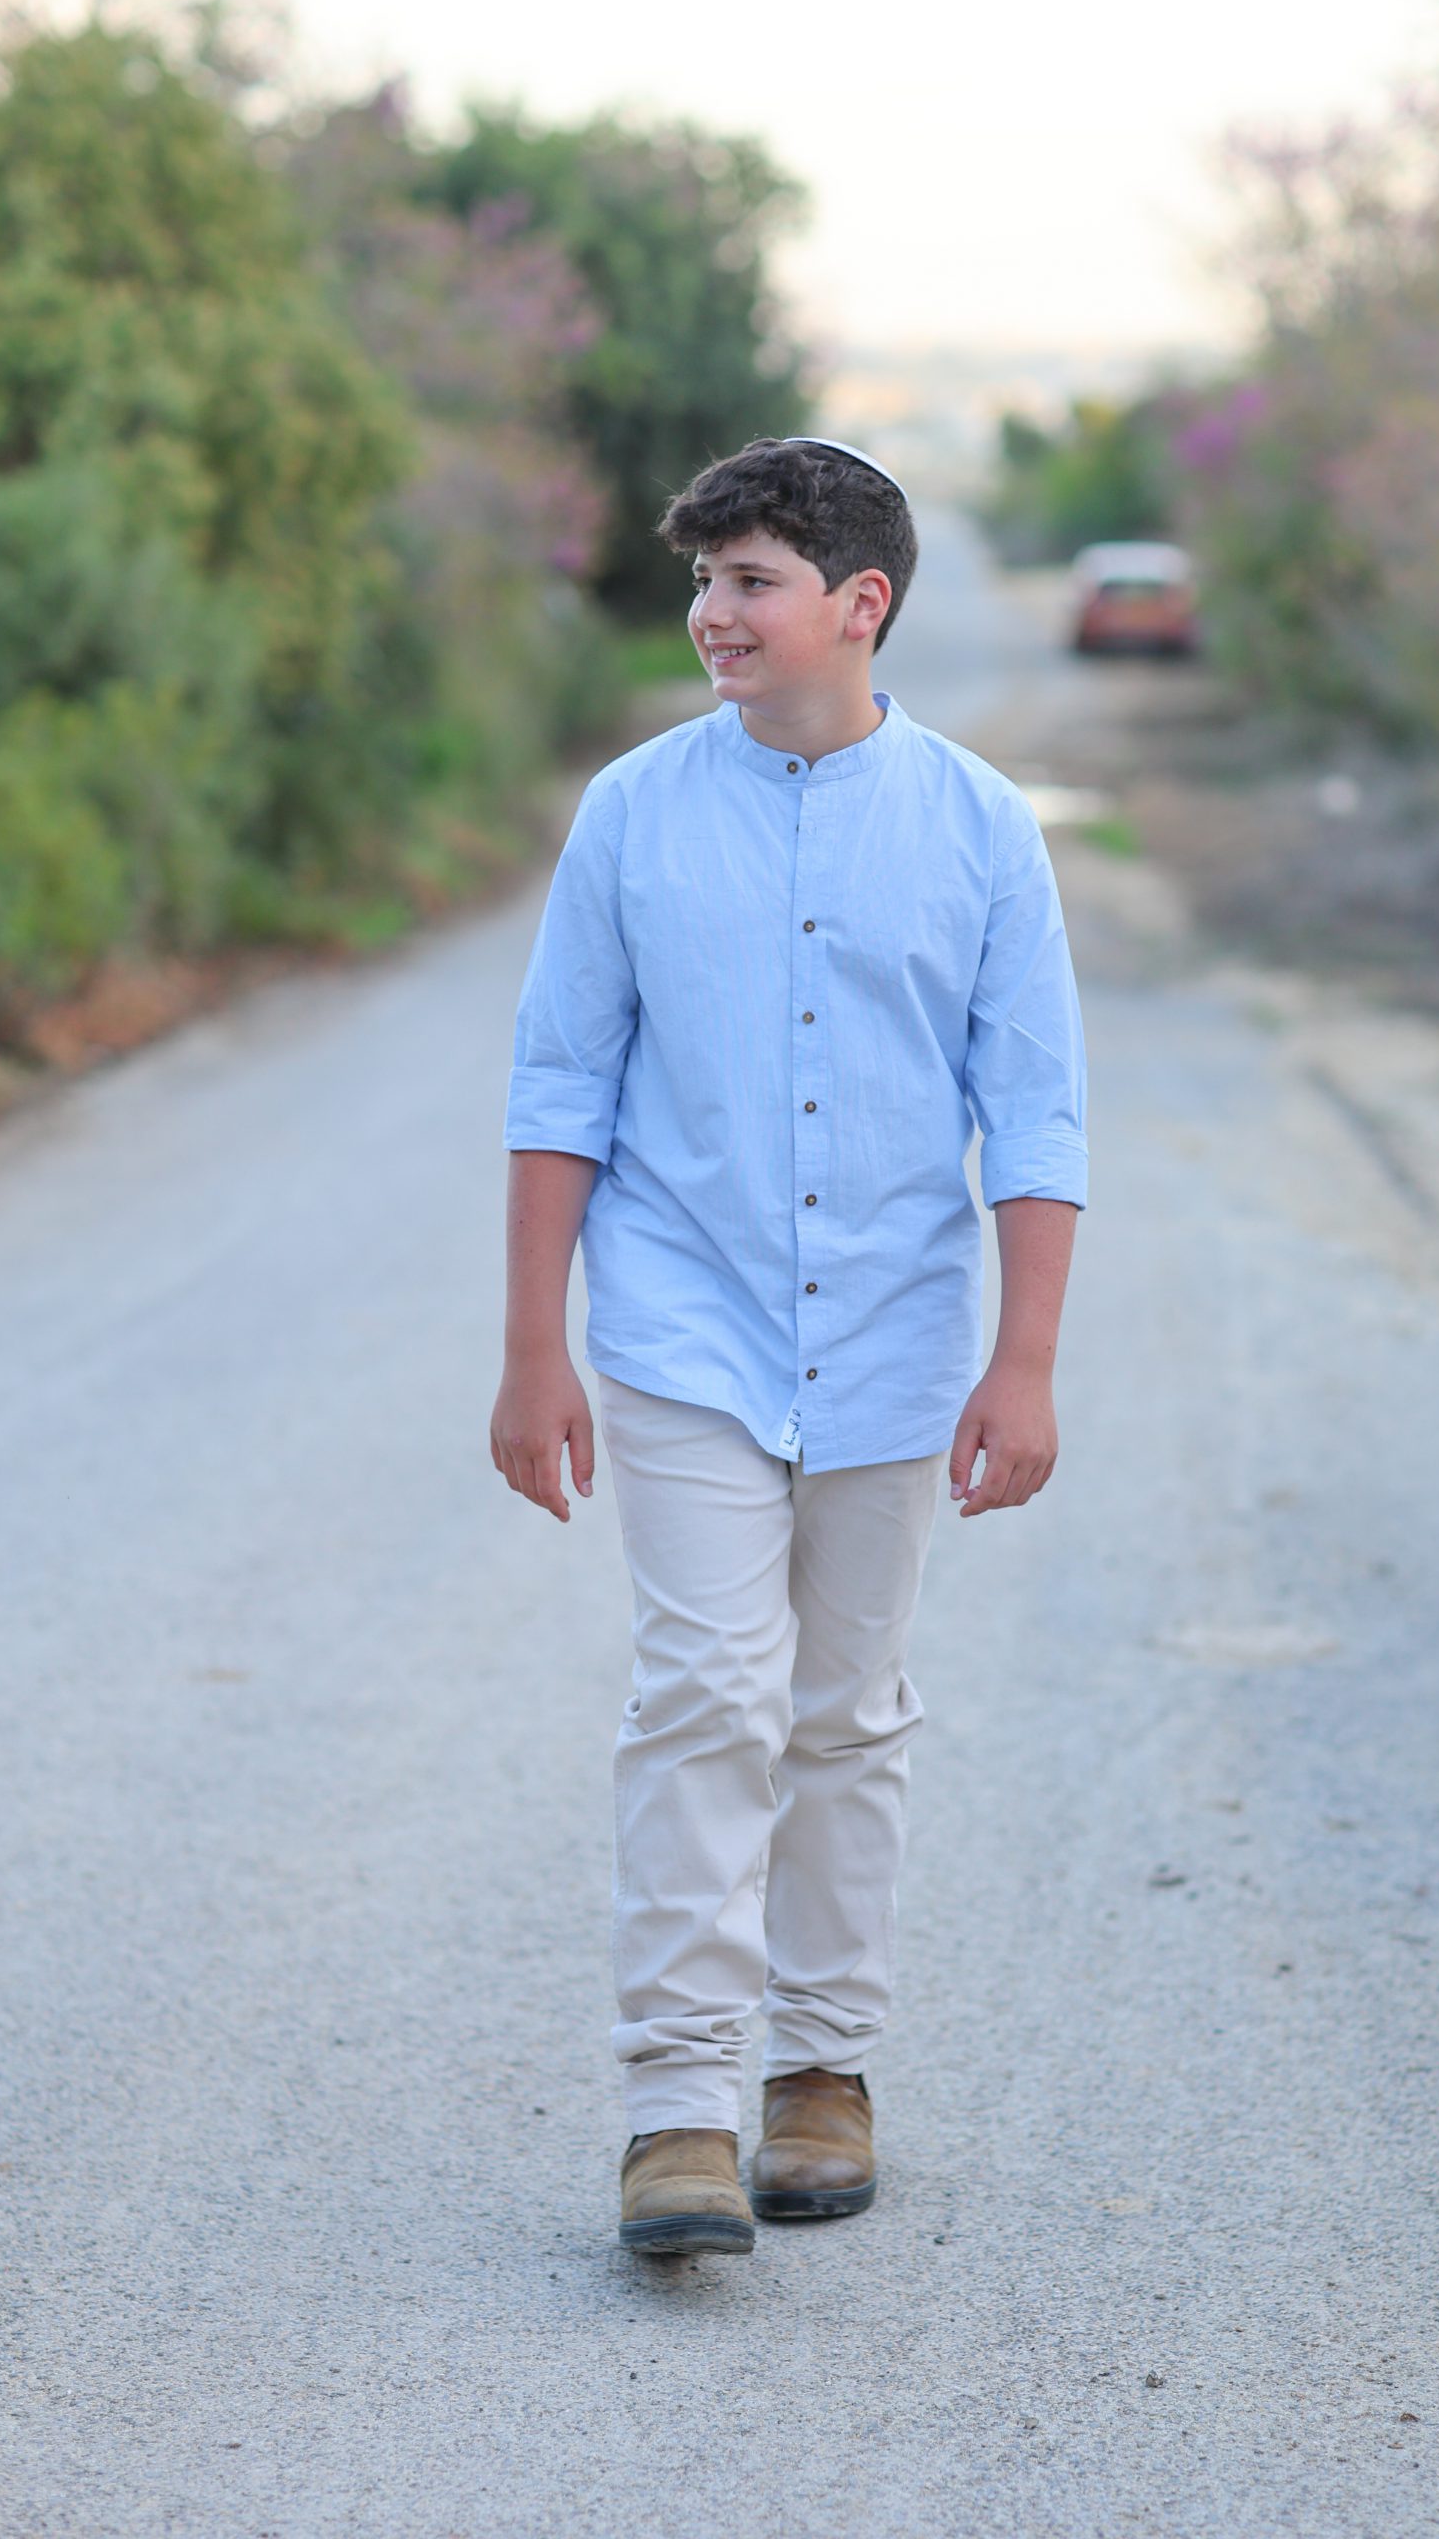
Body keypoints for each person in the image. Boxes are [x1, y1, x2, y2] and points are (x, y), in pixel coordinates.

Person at [491, 435, 1088, 2255]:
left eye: (749, 582)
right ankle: (676, 2109)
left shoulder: (981, 828)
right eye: (704, 583)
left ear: (859, 602)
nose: (713, 616)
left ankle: (822, 2073)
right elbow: (560, 1086)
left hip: (899, 1339)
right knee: (705, 1695)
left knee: (846, 1713)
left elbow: (1036, 1115)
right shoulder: (632, 814)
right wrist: (534, 1350)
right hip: (683, 1326)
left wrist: (1025, 1364)